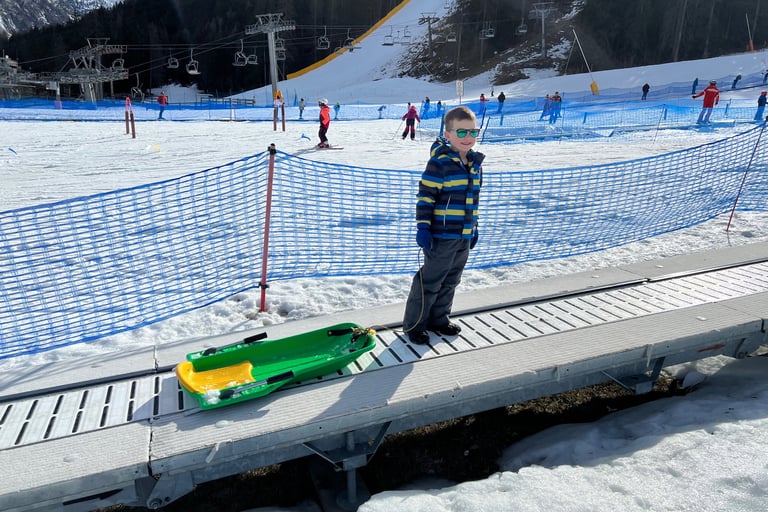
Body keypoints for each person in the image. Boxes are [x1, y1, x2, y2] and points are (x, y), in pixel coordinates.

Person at [402, 106, 484, 345]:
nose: (467, 138)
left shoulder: (475, 163)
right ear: (447, 135)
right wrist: (423, 227)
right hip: (442, 236)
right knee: (430, 280)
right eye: (461, 132)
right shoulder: (439, 164)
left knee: (452, 279)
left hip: (463, 234)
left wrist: (474, 227)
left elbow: (473, 199)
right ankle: (415, 324)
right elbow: (426, 197)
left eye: (472, 132)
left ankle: (439, 319)